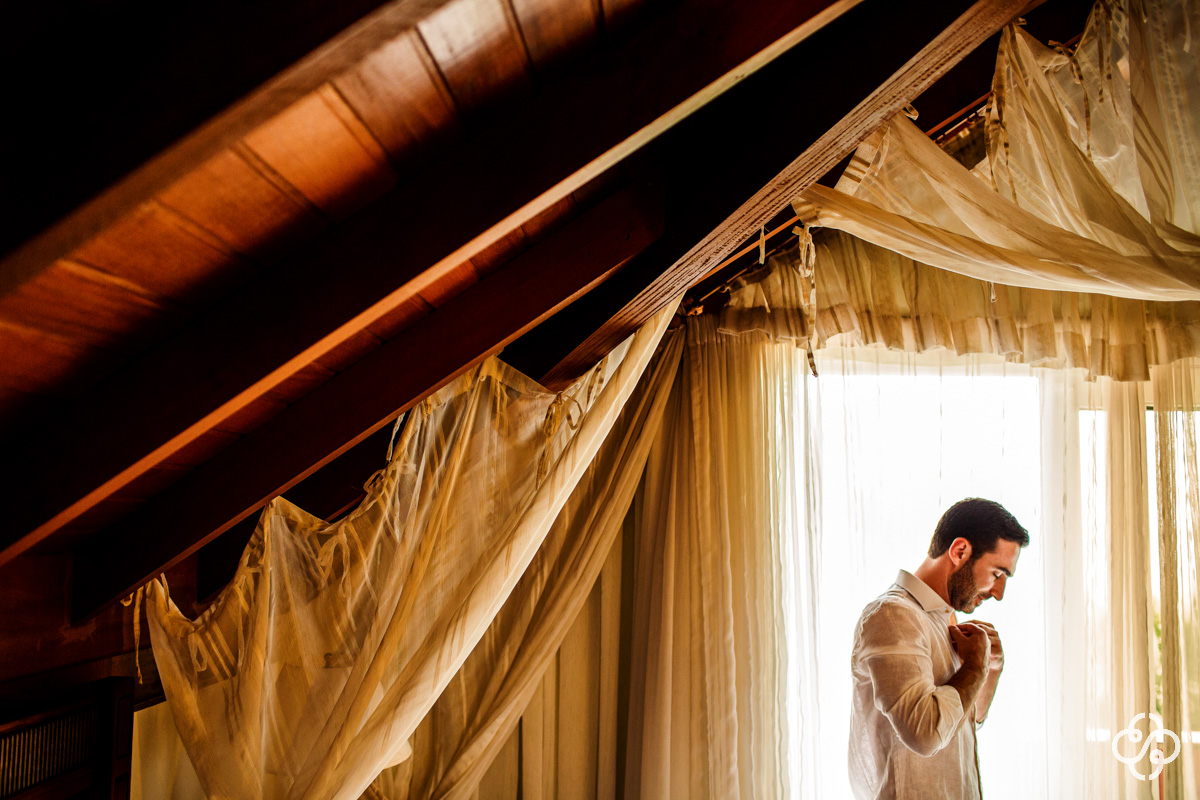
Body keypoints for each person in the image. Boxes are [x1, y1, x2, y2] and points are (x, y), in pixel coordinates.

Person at [848, 498, 1030, 799]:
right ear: (960, 551)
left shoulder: (946, 619)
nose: (999, 594)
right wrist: (974, 667)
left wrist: (991, 668)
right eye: (997, 574)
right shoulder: (894, 616)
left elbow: (962, 721)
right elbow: (925, 733)